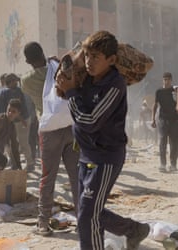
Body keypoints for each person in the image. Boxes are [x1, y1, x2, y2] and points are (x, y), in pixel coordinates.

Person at [56, 30, 149, 249]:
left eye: (95, 57)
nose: (89, 62)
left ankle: (133, 230)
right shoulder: (86, 78)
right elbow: (65, 82)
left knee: (89, 215)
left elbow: (89, 121)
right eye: (87, 56)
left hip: (105, 157)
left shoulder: (114, 84)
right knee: (86, 210)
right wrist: (67, 81)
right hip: (86, 154)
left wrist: (70, 93)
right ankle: (134, 230)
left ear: (112, 60)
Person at [21, 42, 79, 236]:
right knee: (76, 176)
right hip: (71, 128)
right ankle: (83, 219)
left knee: (47, 178)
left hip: (49, 132)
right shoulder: (59, 69)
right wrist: (55, 62)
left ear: (28, 60)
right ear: (44, 53)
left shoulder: (27, 80)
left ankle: (43, 223)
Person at [0, 73, 34, 170]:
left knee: (18, 142)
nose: (17, 82)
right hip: (16, 120)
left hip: (18, 120)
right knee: (17, 143)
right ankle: (23, 163)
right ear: (10, 82)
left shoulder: (3, 91)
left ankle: (26, 163)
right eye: (15, 81)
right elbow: (13, 110)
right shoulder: (11, 92)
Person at [151, 72, 178, 173]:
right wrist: (153, 119)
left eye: (168, 80)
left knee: (174, 143)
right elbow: (155, 105)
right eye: (164, 79)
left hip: (175, 120)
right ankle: (162, 165)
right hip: (162, 119)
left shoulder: (175, 90)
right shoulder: (159, 91)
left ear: (171, 80)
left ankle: (173, 165)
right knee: (162, 142)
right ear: (162, 80)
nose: (166, 81)